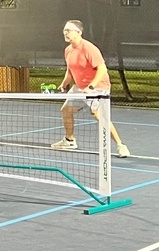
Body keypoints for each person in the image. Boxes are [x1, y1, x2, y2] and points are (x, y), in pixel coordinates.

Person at [51, 20, 130, 158]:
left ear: (79, 32)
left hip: (98, 87)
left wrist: (91, 86)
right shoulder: (68, 50)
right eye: (64, 30)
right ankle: (69, 141)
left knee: (99, 116)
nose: (65, 33)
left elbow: (102, 69)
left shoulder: (89, 48)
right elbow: (70, 71)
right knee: (66, 110)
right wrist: (64, 84)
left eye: (69, 30)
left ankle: (121, 145)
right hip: (80, 88)